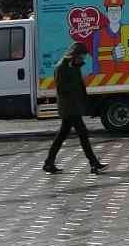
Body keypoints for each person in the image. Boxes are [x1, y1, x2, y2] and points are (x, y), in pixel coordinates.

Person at [43, 42, 106, 174]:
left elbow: (81, 85)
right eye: (80, 57)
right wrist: (75, 88)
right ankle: (94, 163)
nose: (82, 60)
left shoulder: (75, 66)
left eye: (83, 58)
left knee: (62, 136)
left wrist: (86, 101)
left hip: (74, 106)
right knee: (83, 134)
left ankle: (49, 162)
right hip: (68, 108)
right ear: (73, 55)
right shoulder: (61, 68)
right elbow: (61, 89)